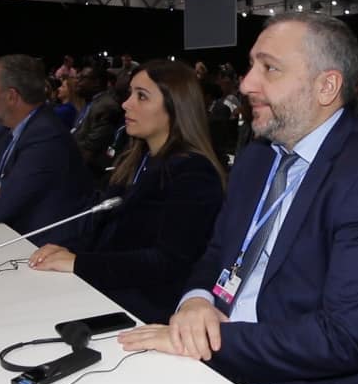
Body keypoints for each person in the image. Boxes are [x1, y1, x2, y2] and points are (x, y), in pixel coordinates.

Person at [117, 13, 358, 384]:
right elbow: (216, 253)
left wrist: (210, 341)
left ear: (326, 86)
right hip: (219, 365)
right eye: (251, 66)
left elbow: (342, 338)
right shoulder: (258, 157)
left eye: (269, 68)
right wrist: (195, 303)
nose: (246, 84)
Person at [27, 60, 225, 324]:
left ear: (175, 106)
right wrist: (66, 250)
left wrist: (78, 263)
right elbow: (104, 232)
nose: (126, 104)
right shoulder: (136, 159)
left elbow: (167, 263)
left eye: (141, 96)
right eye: (130, 93)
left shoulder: (194, 174)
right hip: (110, 292)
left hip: (145, 310)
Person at [0, 54, 93, 246]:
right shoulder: (1, 130)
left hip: (42, 247)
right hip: (7, 236)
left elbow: (2, 207)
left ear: (11, 96)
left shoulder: (46, 137)